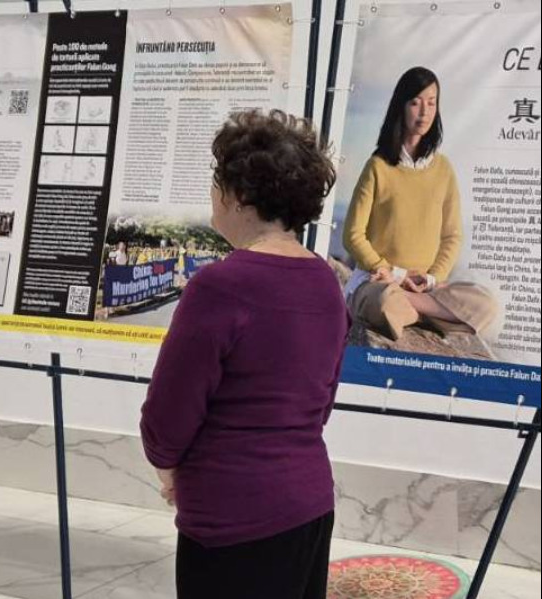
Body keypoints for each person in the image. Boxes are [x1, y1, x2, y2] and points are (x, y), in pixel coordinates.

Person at [140, 110, 349, 599]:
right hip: (309, 503)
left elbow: (169, 413)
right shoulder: (324, 282)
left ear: (237, 193)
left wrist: (169, 468)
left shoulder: (221, 285)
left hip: (232, 514)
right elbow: (320, 402)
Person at [343, 67, 497, 341]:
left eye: (431, 102)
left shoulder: (443, 169)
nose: (424, 112)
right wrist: (390, 272)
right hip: (379, 282)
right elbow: (352, 234)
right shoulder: (378, 166)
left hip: (425, 287)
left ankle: (413, 309)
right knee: (385, 301)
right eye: (415, 102)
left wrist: (433, 278)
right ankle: (435, 314)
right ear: (400, 107)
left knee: (486, 304)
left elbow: (452, 236)